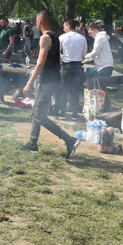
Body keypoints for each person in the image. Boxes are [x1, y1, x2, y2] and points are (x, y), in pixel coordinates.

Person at [20, 10, 80, 158]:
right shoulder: (56, 37)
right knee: (36, 112)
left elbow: (40, 63)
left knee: (39, 116)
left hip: (47, 81)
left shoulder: (45, 38)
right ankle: (32, 144)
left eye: (36, 20)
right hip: (53, 79)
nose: (35, 23)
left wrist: (29, 83)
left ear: (40, 21)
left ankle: (69, 139)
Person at [57, 19, 87, 121]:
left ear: (68, 26)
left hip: (65, 66)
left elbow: (58, 52)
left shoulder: (62, 37)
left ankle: (62, 112)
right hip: (77, 66)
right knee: (75, 90)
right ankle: (74, 113)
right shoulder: (82, 38)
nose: (63, 28)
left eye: (64, 26)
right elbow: (84, 54)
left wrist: (64, 56)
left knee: (63, 89)